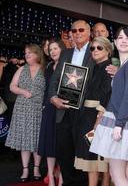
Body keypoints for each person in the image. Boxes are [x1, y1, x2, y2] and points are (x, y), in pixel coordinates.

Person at [90, 26, 128, 186]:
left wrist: (119, 124)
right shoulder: (127, 65)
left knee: (118, 175)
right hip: (123, 121)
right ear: (114, 42)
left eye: (127, 38)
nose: (123, 41)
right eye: (120, 37)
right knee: (126, 173)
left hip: (121, 122)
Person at [49, 19, 94, 186]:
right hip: (63, 109)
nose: (77, 33)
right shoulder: (66, 53)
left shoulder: (95, 51)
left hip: (85, 112)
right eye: (74, 31)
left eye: (81, 30)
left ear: (89, 33)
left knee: (83, 152)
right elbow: (55, 79)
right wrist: (53, 97)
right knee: (64, 152)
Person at [74, 36, 112, 186]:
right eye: (92, 48)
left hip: (97, 117)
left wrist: (99, 118)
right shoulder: (95, 67)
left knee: (98, 158)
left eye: (99, 48)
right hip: (87, 116)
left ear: (108, 50)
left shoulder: (108, 68)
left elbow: (107, 94)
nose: (95, 50)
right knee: (95, 158)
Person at [5, 44, 45, 183]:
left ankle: (36, 168)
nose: (27, 55)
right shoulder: (21, 69)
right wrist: (23, 92)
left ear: (38, 54)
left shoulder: (45, 69)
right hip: (22, 108)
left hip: (39, 109)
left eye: (30, 53)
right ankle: (25, 169)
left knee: (37, 140)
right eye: (26, 53)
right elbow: (12, 86)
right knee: (25, 141)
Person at [38, 39, 65, 186]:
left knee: (61, 145)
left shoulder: (68, 66)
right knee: (49, 145)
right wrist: (43, 105)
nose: (53, 51)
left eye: (56, 48)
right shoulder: (48, 67)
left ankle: (61, 179)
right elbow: (46, 89)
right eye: (51, 49)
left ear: (62, 49)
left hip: (62, 109)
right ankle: (50, 178)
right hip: (49, 109)